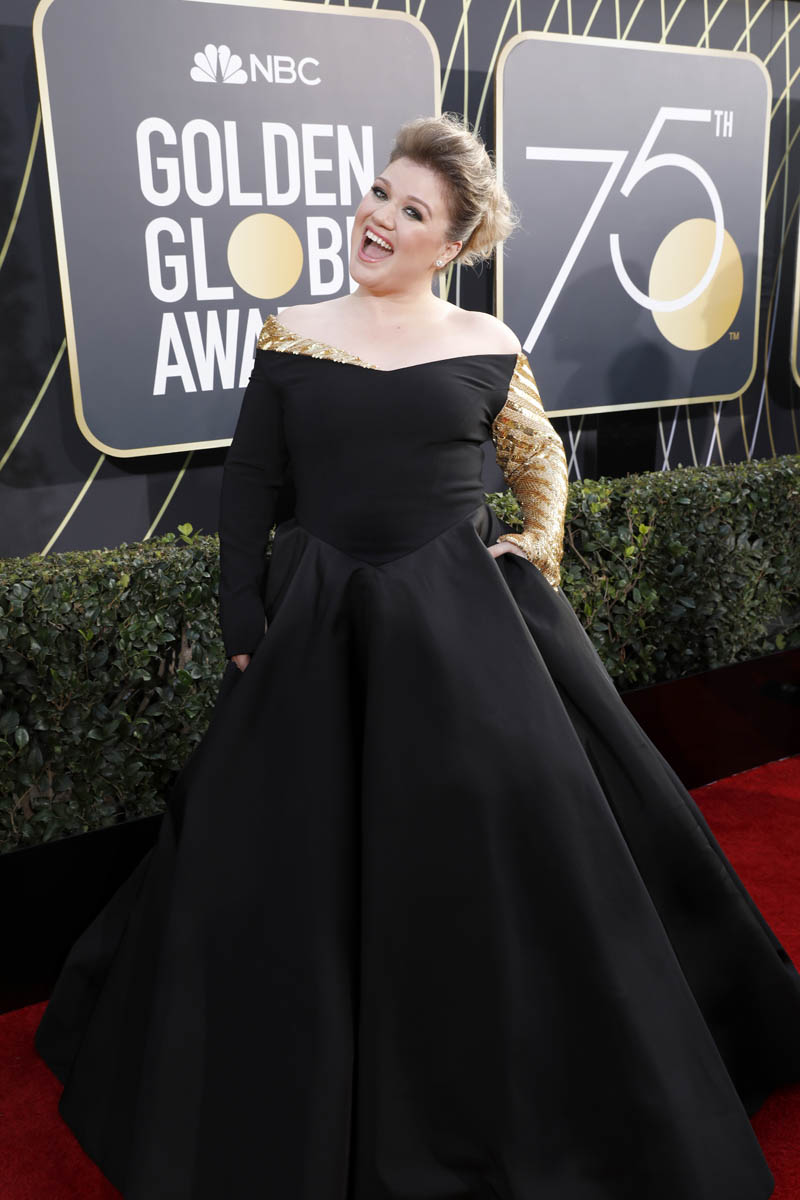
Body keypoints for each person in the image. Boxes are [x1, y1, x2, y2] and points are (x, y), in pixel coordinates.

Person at [35, 113, 800, 1200]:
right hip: (318, 625)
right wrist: (243, 621)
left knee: (516, 840)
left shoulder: (485, 343)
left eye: (411, 210)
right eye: (378, 193)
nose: (379, 218)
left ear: (454, 243)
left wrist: (534, 544)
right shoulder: (292, 334)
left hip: (465, 625)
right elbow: (249, 484)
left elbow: (539, 459)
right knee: (277, 850)